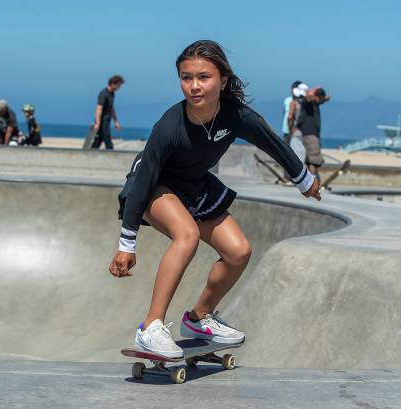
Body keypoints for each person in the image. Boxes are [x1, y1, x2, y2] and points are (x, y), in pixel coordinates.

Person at [109, 40, 321, 358]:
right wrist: (127, 243)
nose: (194, 86)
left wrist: (304, 180)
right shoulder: (169, 126)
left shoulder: (236, 115)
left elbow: (273, 143)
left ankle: (198, 319)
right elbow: (144, 179)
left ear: (222, 80)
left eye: (204, 77)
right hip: (155, 185)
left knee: (238, 251)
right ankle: (150, 327)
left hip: (195, 185)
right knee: (187, 235)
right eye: (186, 77)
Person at [297, 86, 330, 179]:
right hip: (310, 135)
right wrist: (312, 91)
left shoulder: (315, 103)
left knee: (310, 160)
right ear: (317, 97)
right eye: (321, 99)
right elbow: (308, 98)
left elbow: (327, 98)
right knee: (314, 160)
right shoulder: (307, 102)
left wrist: (321, 97)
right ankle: (313, 183)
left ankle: (310, 182)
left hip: (310, 135)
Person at [92, 75, 124, 150]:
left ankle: (88, 154)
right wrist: (97, 123)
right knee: (108, 142)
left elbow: (111, 108)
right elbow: (99, 109)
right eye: (119, 85)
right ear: (113, 83)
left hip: (107, 120)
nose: (119, 87)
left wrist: (116, 121)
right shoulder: (104, 94)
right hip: (102, 121)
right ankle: (112, 156)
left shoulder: (112, 94)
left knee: (98, 141)